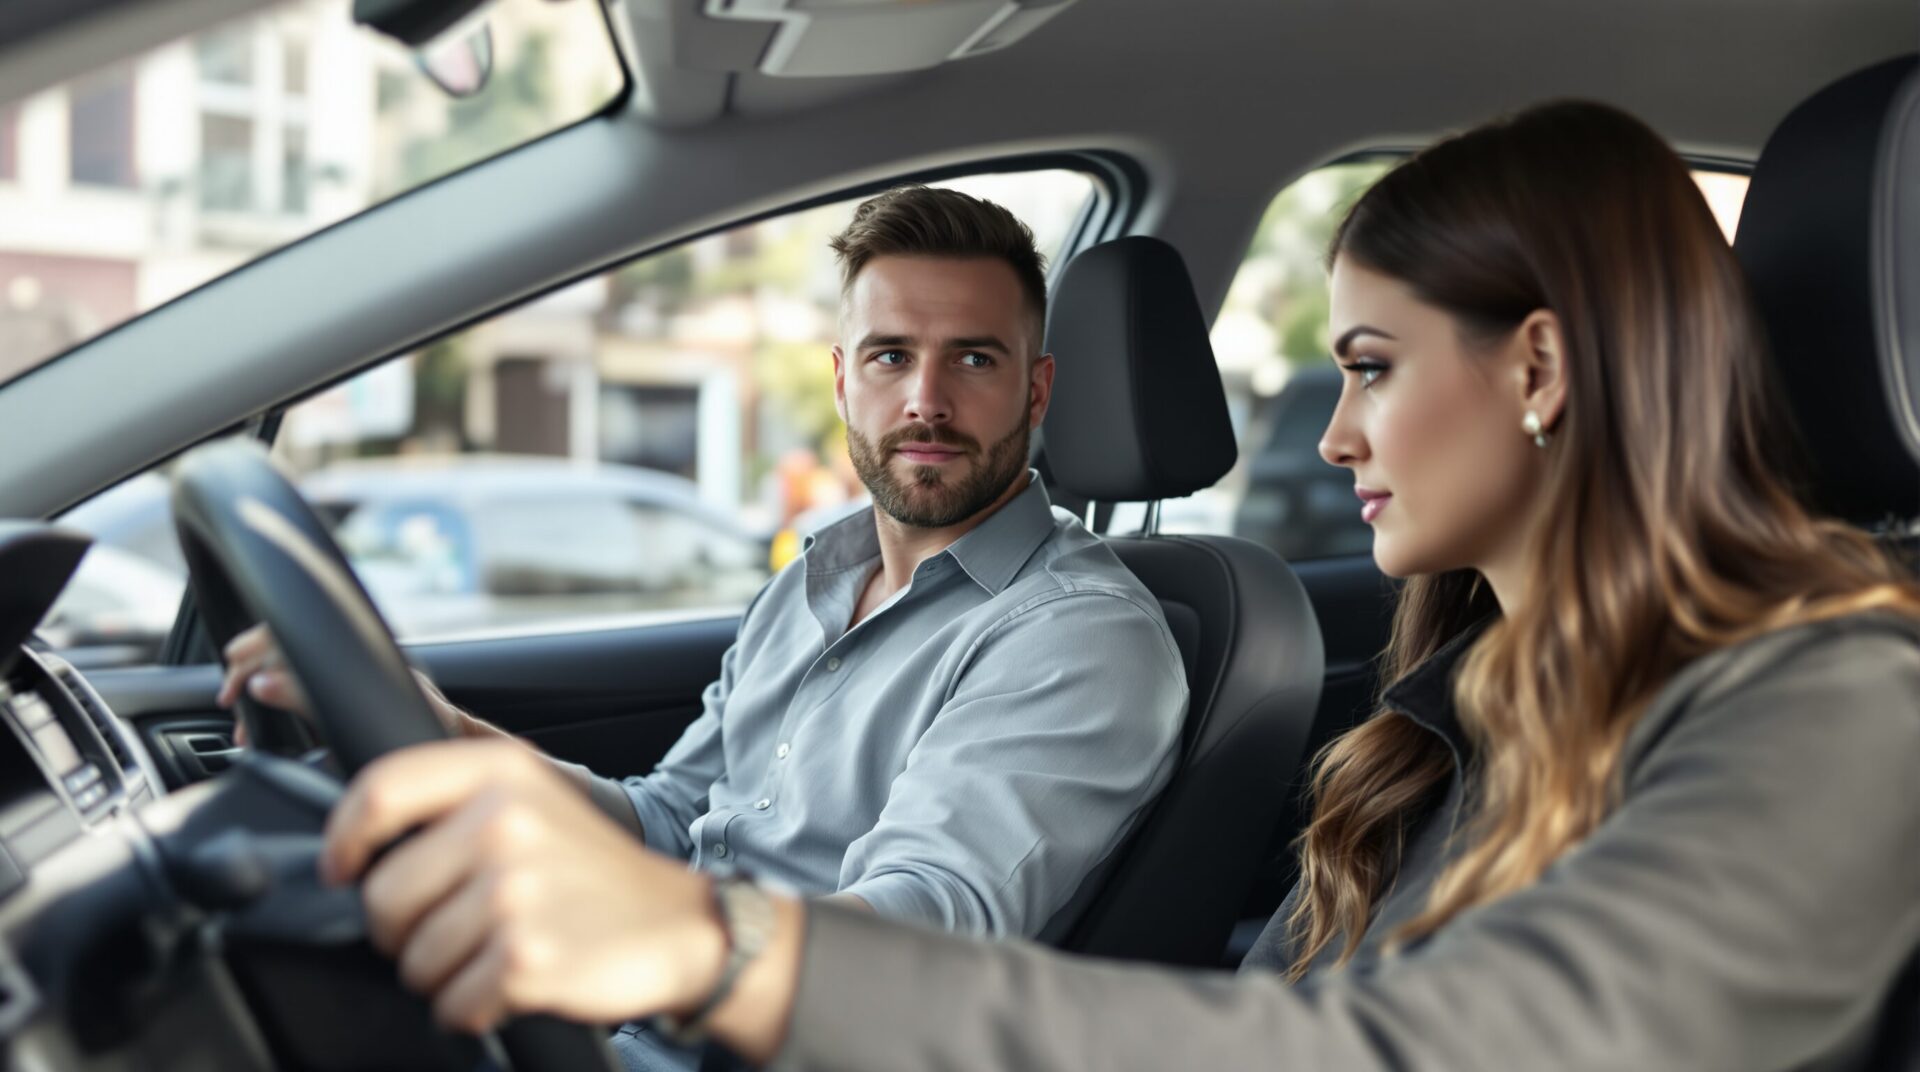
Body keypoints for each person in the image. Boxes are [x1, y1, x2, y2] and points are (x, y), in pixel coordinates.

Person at [315, 101, 1920, 1070]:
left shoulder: (1846, 711)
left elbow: (1409, 1050)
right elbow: (1277, 997)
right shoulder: (1471, 703)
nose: (1336, 432)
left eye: (1370, 366)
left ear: (1541, 370)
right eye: (887, 356)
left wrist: (717, 952)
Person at [223, 187, 1189, 1064]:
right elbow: (673, 820)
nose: (925, 400)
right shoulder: (812, 581)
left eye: (973, 359)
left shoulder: (1079, 636)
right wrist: (446, 734)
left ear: (1036, 390)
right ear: (843, 380)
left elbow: (930, 924)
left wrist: (650, 940)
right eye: (891, 355)